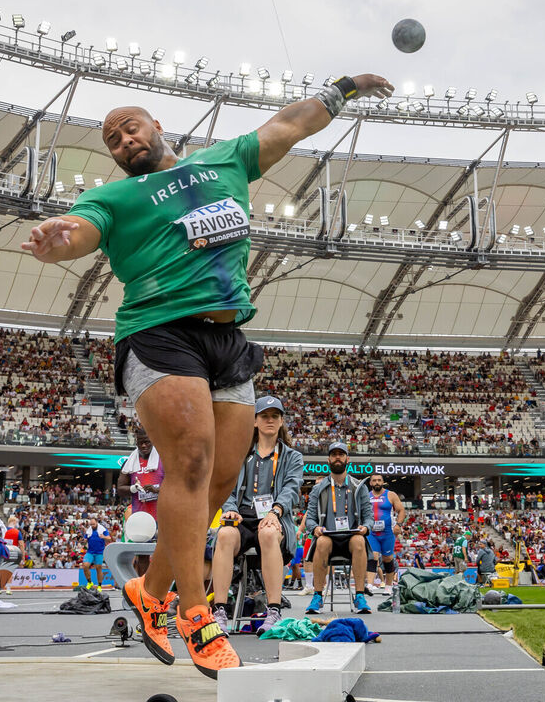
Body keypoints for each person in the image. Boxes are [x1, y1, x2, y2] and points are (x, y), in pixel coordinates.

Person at [21, 71, 392, 678]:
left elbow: (287, 127)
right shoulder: (113, 200)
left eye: (129, 126)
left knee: (218, 484)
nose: (122, 139)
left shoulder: (226, 161)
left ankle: (149, 589)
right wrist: (58, 238)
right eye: (111, 139)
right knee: (190, 462)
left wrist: (340, 91)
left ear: (158, 126)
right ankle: (196, 612)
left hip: (227, 339)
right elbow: (78, 230)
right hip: (159, 332)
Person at [210, 395, 303, 633]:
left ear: (281, 421)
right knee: (224, 535)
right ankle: (219, 610)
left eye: (274, 416)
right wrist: (230, 510)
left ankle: (273, 610)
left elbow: (292, 488)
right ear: (255, 421)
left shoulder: (292, 457)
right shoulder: (240, 453)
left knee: (269, 533)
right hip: (242, 517)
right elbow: (227, 487)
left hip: (274, 517)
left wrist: (275, 511)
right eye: (264, 416)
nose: (269, 420)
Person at [304, 442, 374, 614]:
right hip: (328, 537)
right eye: (334, 454)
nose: (337, 457)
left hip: (351, 537)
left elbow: (369, 517)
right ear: (328, 459)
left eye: (340, 454)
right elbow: (310, 518)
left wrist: (365, 527)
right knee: (321, 542)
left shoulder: (359, 486)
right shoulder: (318, 489)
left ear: (347, 459)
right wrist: (314, 529)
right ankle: (317, 596)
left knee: (359, 540)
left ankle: (359, 596)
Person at [118, 427, 162, 575]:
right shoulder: (130, 462)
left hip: (162, 514)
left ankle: (162, 588)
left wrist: (158, 490)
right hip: (141, 516)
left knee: (163, 553)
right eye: (140, 443)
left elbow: (177, 485)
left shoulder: (163, 459)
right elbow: (120, 488)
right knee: (142, 555)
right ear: (136, 442)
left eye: (147, 442)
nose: (143, 446)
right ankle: (144, 588)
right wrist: (133, 488)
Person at [365, 473, 404, 597]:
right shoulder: (366, 496)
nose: (377, 482)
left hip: (387, 532)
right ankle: (370, 585)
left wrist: (398, 524)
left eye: (379, 480)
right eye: (374, 480)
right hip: (372, 532)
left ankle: (388, 586)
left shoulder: (390, 495)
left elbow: (401, 510)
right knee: (373, 556)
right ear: (370, 483)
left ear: (383, 482)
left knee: (387, 558)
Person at [82, 516, 112, 590]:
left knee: (98, 568)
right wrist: (84, 541)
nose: (92, 526)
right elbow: (84, 540)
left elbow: (109, 538)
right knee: (85, 566)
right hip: (90, 552)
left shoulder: (102, 529)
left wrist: (103, 537)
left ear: (97, 523)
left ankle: (99, 586)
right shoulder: (88, 531)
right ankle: (89, 582)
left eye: (93, 524)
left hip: (99, 552)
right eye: (91, 524)